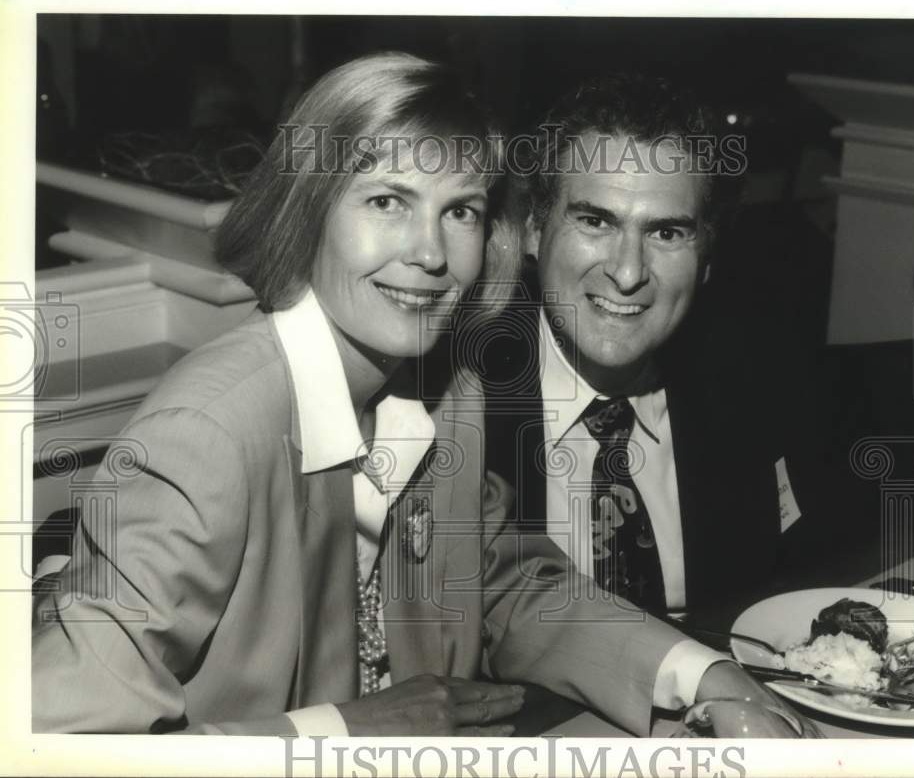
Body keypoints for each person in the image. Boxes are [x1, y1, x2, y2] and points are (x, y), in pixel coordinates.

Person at [33, 53, 814, 738]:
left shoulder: (447, 395)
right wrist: (336, 729)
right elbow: (52, 745)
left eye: (461, 211)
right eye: (387, 201)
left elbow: (506, 588)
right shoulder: (206, 433)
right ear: (309, 211)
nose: (431, 252)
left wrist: (702, 674)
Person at [483, 72, 831, 619]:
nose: (627, 272)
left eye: (666, 233)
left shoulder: (754, 396)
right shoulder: (456, 411)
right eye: (596, 221)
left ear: (708, 258)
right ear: (531, 229)